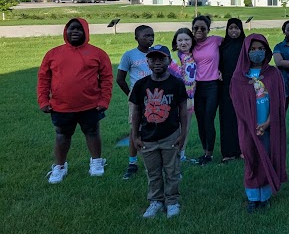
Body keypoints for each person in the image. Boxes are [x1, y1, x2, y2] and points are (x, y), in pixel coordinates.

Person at [37, 17, 113, 182]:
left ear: (86, 31)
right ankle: (59, 167)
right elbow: (43, 78)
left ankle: (96, 162)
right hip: (61, 106)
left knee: (92, 132)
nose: (75, 31)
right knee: (62, 135)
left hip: (90, 105)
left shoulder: (98, 53)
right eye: (72, 28)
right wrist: (43, 100)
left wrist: (103, 101)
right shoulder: (53, 54)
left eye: (79, 28)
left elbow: (106, 79)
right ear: (66, 31)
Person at [230, 34, 287, 213]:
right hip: (249, 127)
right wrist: (252, 125)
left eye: (261, 49)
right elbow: (237, 104)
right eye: (253, 49)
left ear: (267, 51)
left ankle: (265, 196)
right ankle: (253, 197)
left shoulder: (273, 74)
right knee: (251, 159)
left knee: (268, 157)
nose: (257, 52)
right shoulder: (239, 77)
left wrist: (268, 122)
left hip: (269, 126)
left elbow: (279, 100)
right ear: (246, 52)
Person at [130, 45, 188, 219]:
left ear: (169, 61)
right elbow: (137, 112)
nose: (157, 63)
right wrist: (135, 135)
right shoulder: (141, 85)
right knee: (153, 172)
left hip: (170, 135)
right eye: (153, 59)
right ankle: (156, 201)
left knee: (172, 171)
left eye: (161, 59)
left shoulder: (176, 84)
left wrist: (183, 134)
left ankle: (172, 201)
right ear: (147, 62)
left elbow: (183, 111)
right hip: (148, 137)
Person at [116, 24, 154, 179]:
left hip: (154, 97)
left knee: (153, 128)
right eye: (146, 36)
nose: (150, 38)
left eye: (152, 35)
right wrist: (131, 95)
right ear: (136, 38)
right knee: (135, 130)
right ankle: (132, 163)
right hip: (137, 98)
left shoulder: (156, 53)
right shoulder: (129, 55)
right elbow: (120, 79)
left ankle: (152, 162)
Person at [191, 15, 222, 164]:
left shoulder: (216, 40)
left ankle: (209, 154)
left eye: (203, 28)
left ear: (208, 30)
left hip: (212, 85)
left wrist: (223, 69)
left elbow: (232, 48)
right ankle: (204, 151)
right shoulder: (191, 44)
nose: (199, 30)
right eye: (196, 28)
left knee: (209, 119)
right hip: (196, 87)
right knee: (200, 120)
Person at [218, 18, 245, 161]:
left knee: (242, 118)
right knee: (227, 117)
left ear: (241, 29)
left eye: (236, 28)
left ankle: (242, 149)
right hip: (226, 86)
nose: (234, 31)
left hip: (242, 86)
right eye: (231, 28)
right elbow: (218, 63)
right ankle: (228, 152)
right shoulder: (223, 46)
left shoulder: (245, 45)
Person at [171, 27, 196, 161]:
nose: (183, 43)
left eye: (186, 39)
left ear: (192, 41)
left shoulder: (195, 55)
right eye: (180, 40)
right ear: (175, 42)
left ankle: (182, 154)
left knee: (186, 127)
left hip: (191, 98)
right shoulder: (173, 57)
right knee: (176, 128)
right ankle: (172, 154)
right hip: (177, 99)